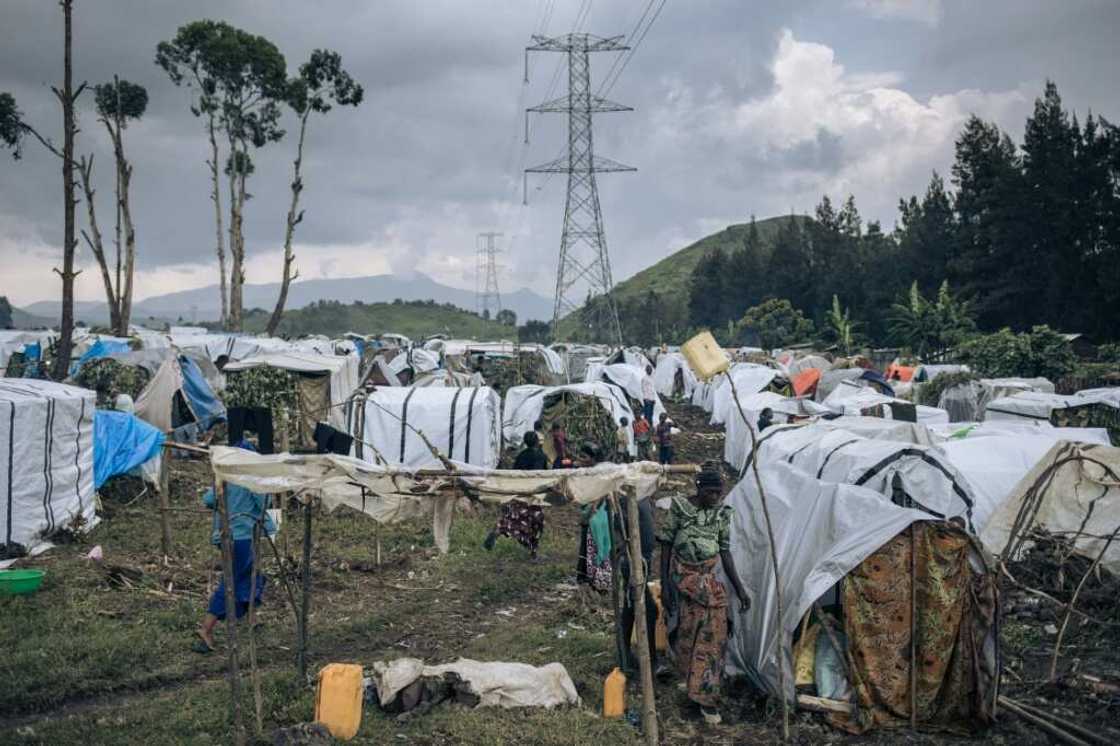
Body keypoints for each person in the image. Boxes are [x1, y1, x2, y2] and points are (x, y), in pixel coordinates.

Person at [657, 464, 750, 725]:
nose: (716, 498)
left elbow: (725, 551)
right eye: (711, 493)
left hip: (707, 581)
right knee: (689, 633)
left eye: (719, 493)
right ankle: (692, 686)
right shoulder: (680, 508)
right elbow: (665, 545)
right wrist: (665, 585)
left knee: (713, 635)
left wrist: (740, 589)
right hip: (684, 578)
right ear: (699, 490)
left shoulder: (722, 513)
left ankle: (706, 696)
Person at [193, 440, 275, 654]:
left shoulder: (226, 476)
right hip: (243, 536)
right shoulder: (249, 479)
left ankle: (251, 618)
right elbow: (263, 501)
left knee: (251, 574)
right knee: (231, 580)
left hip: (225, 536)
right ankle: (206, 628)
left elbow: (209, 499)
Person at [485, 431, 548, 556]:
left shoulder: (521, 455)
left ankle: (498, 530)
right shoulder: (541, 456)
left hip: (519, 493)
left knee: (513, 517)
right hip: (533, 496)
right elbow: (544, 475)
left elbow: (514, 473)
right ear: (536, 441)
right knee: (536, 523)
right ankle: (533, 551)